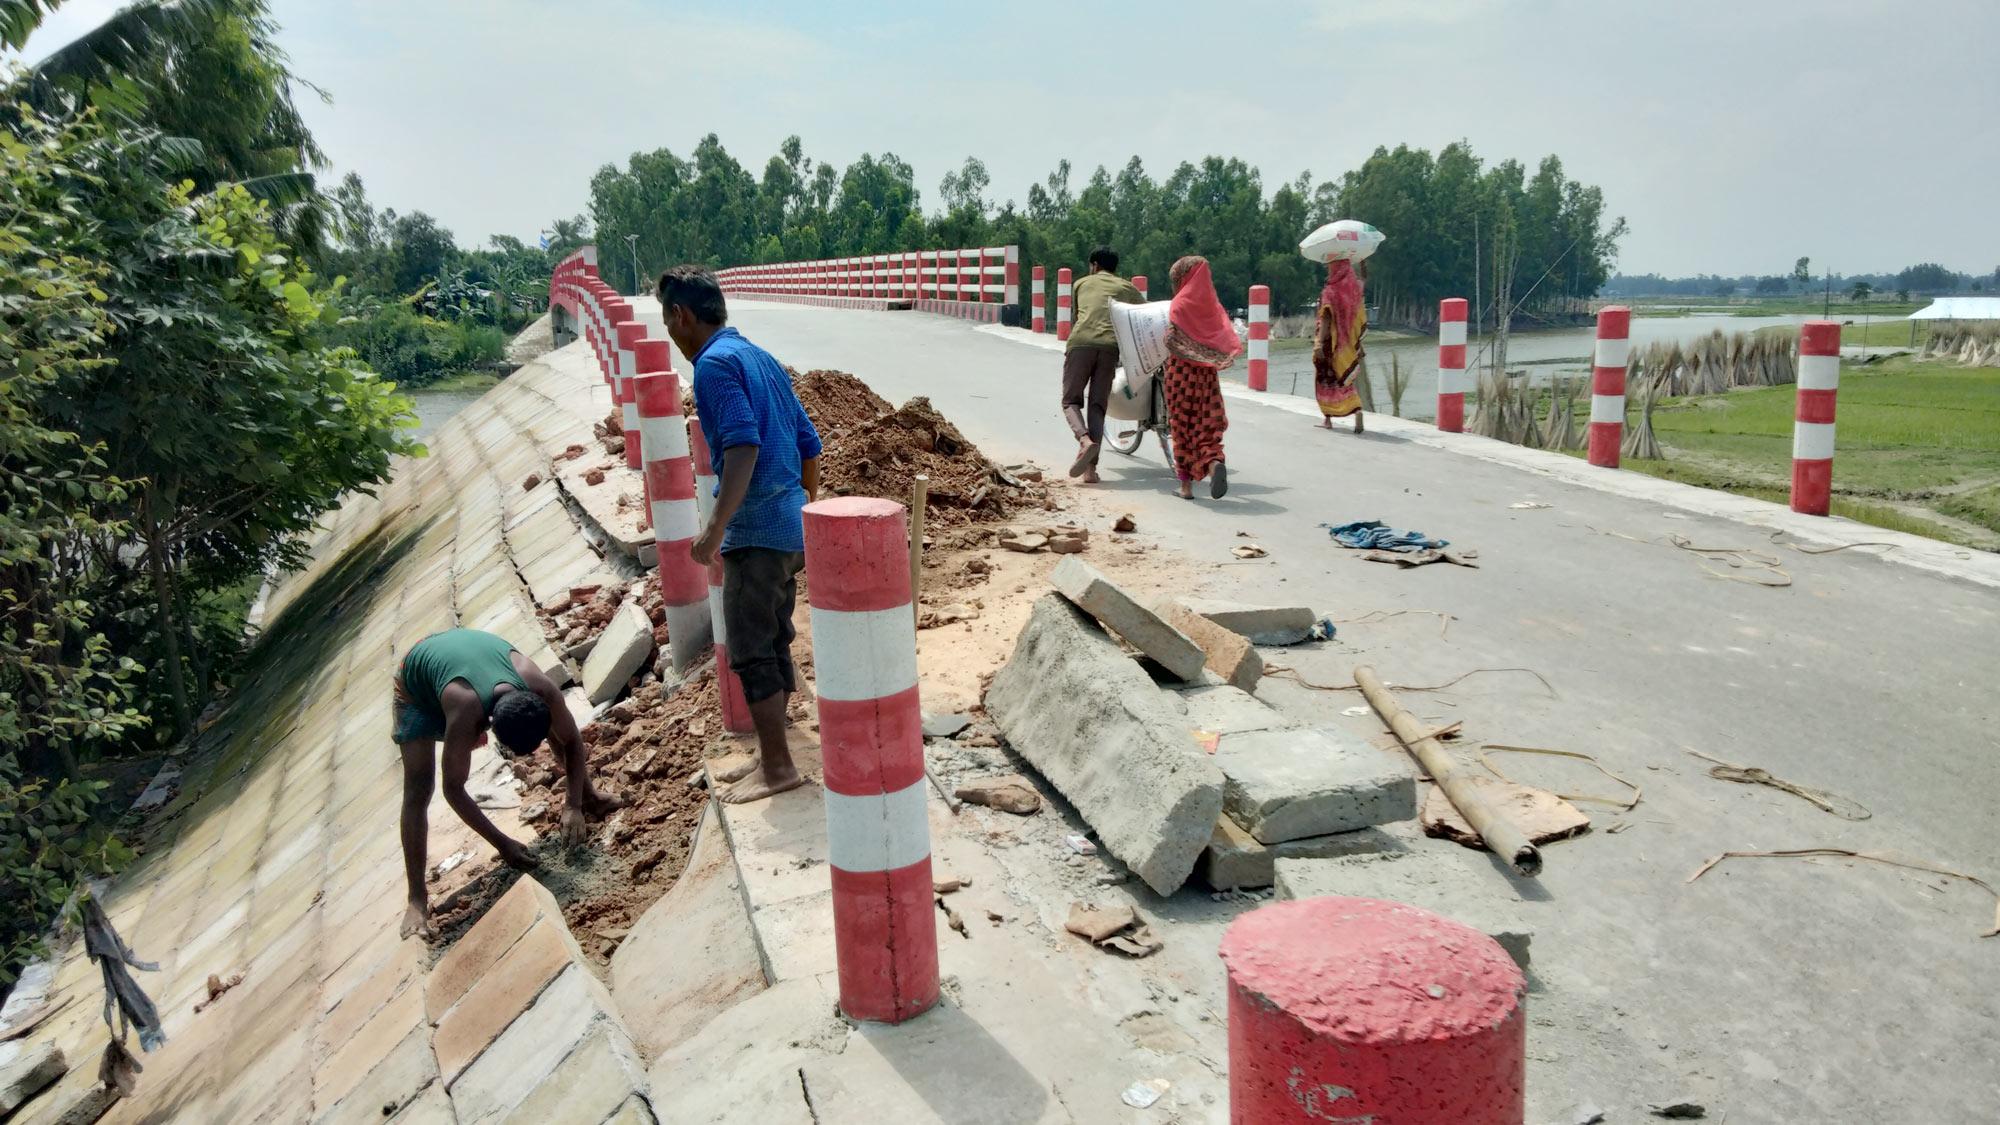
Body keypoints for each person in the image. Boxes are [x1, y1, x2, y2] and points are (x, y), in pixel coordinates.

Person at [658, 264, 823, 805]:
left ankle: (777, 766)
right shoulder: (760, 357)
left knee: (751, 649)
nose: (670, 333)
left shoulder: (712, 367)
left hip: (757, 533)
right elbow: (808, 442)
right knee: (773, 636)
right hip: (787, 527)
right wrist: (802, 512)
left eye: (667, 320)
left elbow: (744, 445)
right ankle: (772, 752)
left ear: (680, 315)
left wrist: (715, 528)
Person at [395, 627, 621, 938]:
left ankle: (591, 798)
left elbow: (570, 741)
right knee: (419, 789)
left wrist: (575, 804)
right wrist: (503, 844)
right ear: (487, 729)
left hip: (463, 655)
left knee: (562, 737)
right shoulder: (465, 710)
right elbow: (453, 789)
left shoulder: (540, 687)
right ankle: (417, 901)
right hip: (416, 682)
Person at [1161, 255, 1241, 500]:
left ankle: (1185, 487)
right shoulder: (1214, 307)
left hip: (1181, 375)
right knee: (1207, 424)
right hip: (1207, 376)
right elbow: (1222, 339)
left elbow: (1171, 339)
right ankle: (1214, 462)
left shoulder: (1179, 303)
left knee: (1181, 426)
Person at [1062, 246, 1141, 482]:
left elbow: (1078, 316)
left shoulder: (1081, 283)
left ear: (1094, 265)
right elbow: (1143, 315)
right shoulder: (1126, 287)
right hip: (1109, 349)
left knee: (1070, 400)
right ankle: (1090, 471)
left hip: (1080, 344)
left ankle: (1084, 441)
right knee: (1097, 406)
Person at [1313, 258, 1368, 432]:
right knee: (1344, 378)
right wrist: (1362, 264)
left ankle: (1328, 419)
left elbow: (1326, 319)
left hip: (1331, 343)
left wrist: (1319, 343)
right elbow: (1364, 281)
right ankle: (1356, 408)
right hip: (1349, 343)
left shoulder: (1330, 291)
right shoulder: (1353, 289)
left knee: (1326, 379)